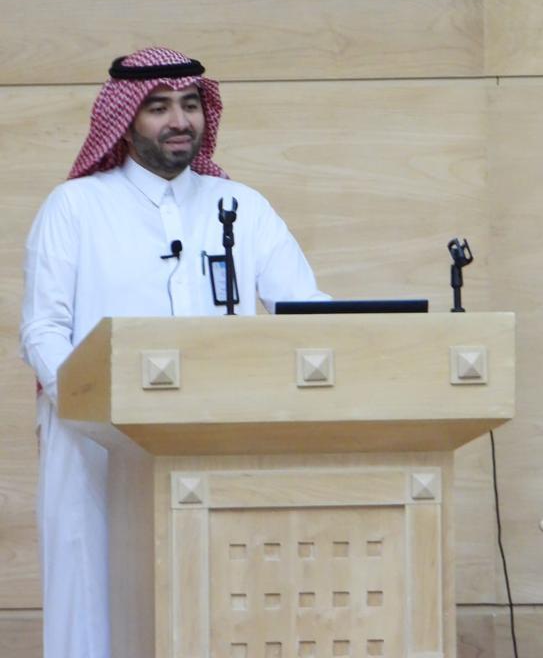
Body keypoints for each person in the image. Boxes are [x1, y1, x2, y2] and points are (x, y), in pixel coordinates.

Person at [20, 46, 328, 658]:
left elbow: (307, 311)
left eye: (190, 105)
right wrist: (95, 406)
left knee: (219, 597)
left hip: (218, 440)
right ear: (126, 118)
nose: (179, 121)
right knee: (94, 599)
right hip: (95, 447)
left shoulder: (240, 206)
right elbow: (44, 330)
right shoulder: (75, 207)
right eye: (158, 107)